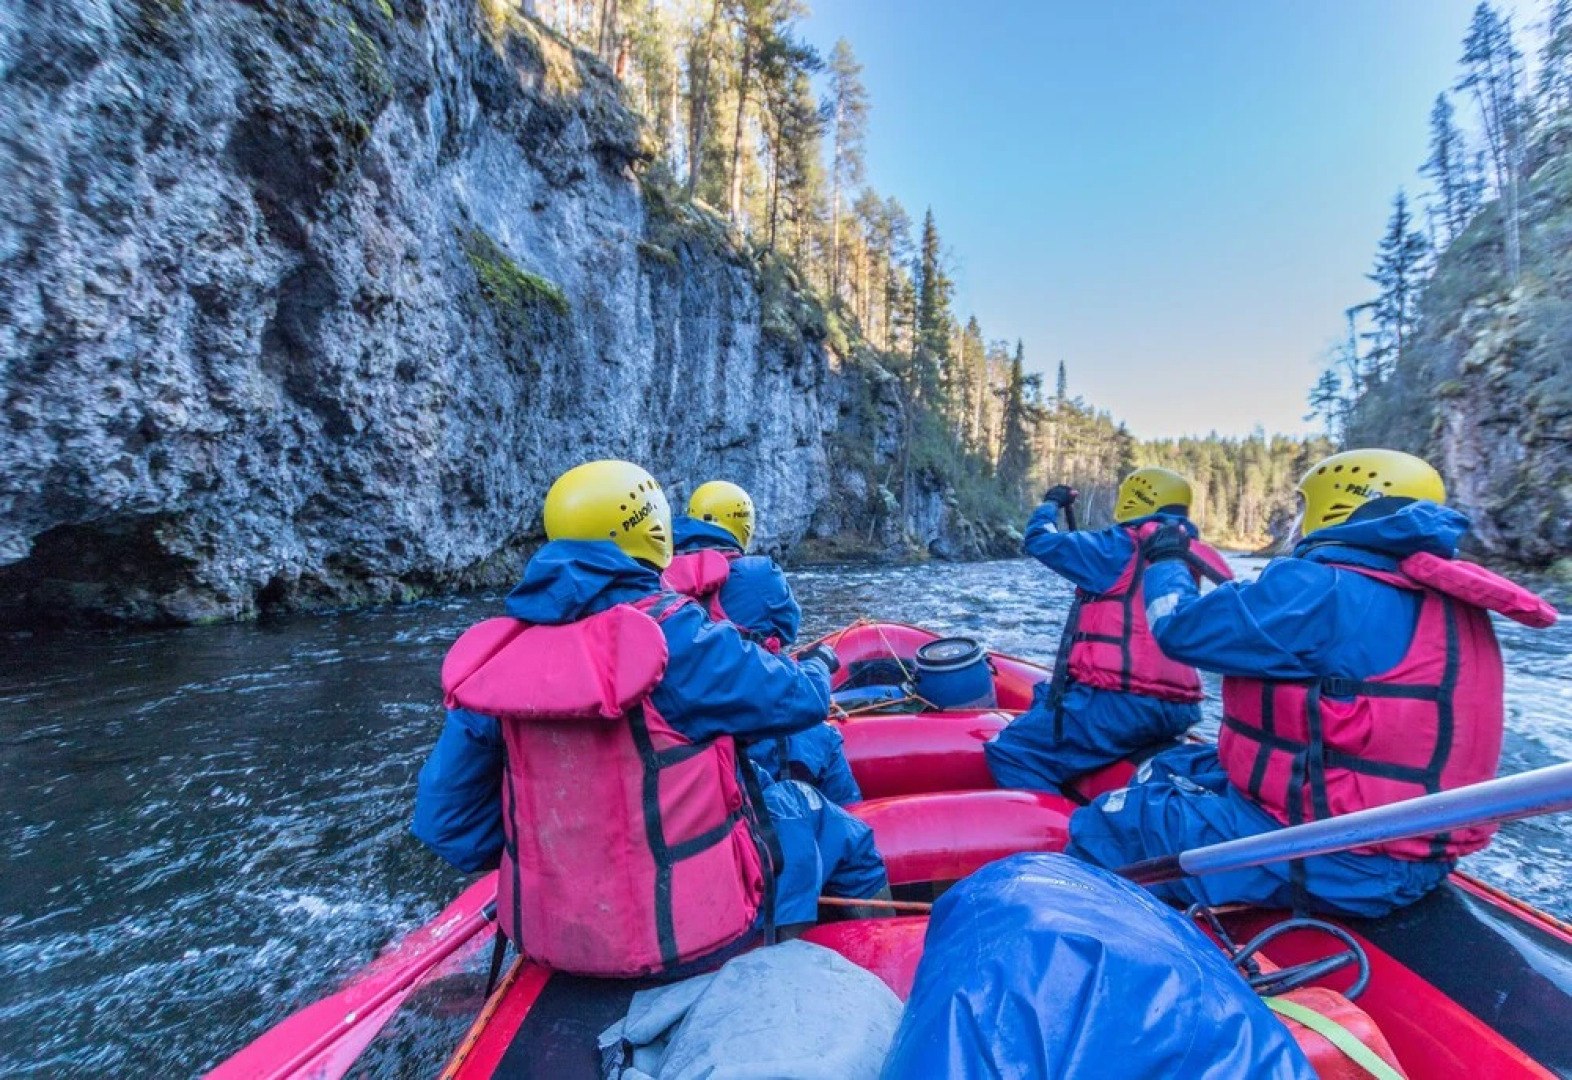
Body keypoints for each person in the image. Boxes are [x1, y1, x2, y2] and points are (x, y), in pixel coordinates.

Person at [413, 460, 887, 978]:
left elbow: (446, 824)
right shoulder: (677, 634)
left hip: (556, 940)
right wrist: (819, 669)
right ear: (652, 526)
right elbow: (798, 701)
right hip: (691, 941)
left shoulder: (502, 655)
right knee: (837, 830)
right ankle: (860, 980)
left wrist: (564, 855)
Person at [1066, 449, 1557, 918]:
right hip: (1409, 850)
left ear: (1335, 505)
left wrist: (1167, 559)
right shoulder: (1446, 597)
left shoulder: (1321, 590)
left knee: (1110, 824)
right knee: (1176, 764)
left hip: (1338, 858)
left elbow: (1179, 630)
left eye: (1305, 507)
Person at [984, 467, 1234, 794]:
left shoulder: (1118, 545)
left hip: (1120, 704)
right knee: (1049, 701)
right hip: (1179, 710)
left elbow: (1039, 539)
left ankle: (1055, 836)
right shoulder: (1182, 552)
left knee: (1012, 752)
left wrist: (1050, 504)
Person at [666, 480, 862, 806]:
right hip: (745, 714)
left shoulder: (659, 574)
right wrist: (817, 664)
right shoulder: (756, 574)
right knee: (823, 740)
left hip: (686, 717)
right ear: (744, 526)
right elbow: (787, 628)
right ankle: (850, 825)